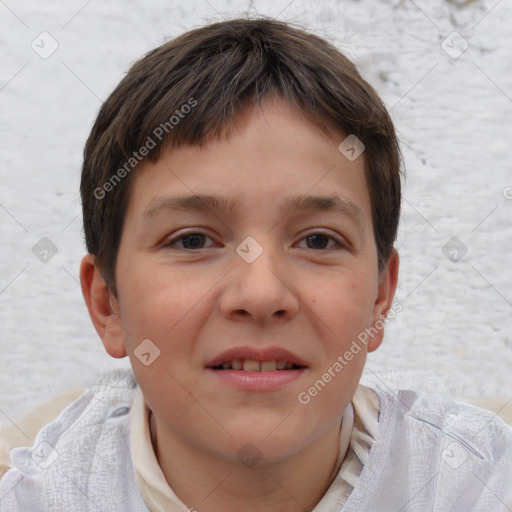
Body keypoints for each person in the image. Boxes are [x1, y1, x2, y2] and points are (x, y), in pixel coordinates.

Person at [1, 16, 511, 512]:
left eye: (317, 240)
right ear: (108, 304)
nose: (261, 293)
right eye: (192, 239)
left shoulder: (480, 486)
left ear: (380, 298)